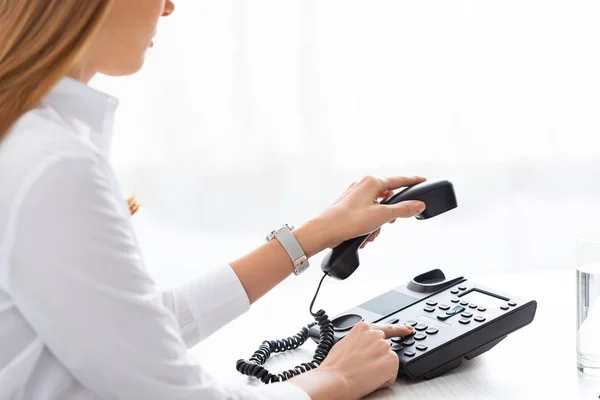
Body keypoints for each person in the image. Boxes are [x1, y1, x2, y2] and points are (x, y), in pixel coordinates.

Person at [0, 1, 428, 399]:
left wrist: (316, 233)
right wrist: (335, 378)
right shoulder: (55, 165)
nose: (169, 6)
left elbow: (132, 325)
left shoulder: (33, 137)